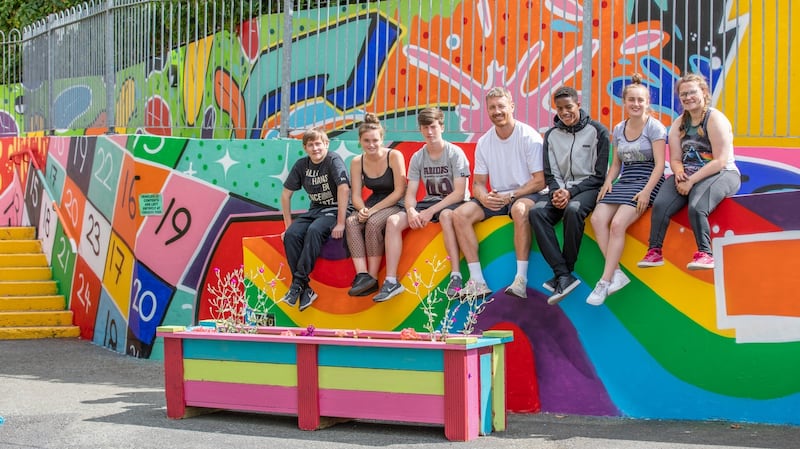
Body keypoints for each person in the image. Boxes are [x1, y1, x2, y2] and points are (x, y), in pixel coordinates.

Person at [450, 86, 546, 299]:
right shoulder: (484, 142)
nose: (497, 111)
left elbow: (540, 180)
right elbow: (478, 184)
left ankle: (520, 279)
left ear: (511, 106)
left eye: (501, 106)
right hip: (498, 196)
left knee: (520, 210)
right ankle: (477, 281)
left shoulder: (528, 136)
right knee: (459, 214)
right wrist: (484, 197)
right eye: (492, 107)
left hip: (526, 194)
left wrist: (512, 196)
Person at [637, 73, 741, 270]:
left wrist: (691, 181)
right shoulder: (678, 124)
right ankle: (654, 252)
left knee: (696, 206)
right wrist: (678, 173)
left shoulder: (715, 119)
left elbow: (719, 161)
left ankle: (705, 254)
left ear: (703, 92)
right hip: (688, 174)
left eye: (692, 92)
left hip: (722, 173)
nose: (687, 97)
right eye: (683, 94)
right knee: (660, 204)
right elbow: (675, 159)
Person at [372, 107, 470, 302]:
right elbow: (410, 193)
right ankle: (391, 281)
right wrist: (410, 210)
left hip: (454, 203)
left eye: (433, 126)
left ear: (441, 127)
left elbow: (459, 193)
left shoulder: (455, 153)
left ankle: (456, 277)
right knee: (392, 221)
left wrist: (430, 211)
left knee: (445, 215)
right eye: (425, 127)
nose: (430, 132)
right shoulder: (418, 157)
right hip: (429, 202)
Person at [586, 74, 666, 306]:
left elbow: (660, 164)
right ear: (624, 102)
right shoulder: (619, 129)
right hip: (626, 179)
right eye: (631, 100)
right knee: (598, 219)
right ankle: (618, 274)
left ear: (647, 102)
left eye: (640, 100)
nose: (636, 104)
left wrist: (647, 192)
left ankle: (604, 280)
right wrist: (608, 181)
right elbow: (616, 164)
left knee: (618, 224)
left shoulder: (655, 128)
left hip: (648, 180)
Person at [531, 86, 610, 305]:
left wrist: (571, 192)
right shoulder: (551, 135)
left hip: (588, 189)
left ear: (578, 104)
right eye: (559, 108)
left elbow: (599, 175)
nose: (564, 113)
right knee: (536, 212)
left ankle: (565, 273)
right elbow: (549, 172)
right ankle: (563, 274)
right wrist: (558, 191)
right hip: (560, 190)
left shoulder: (599, 131)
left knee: (573, 209)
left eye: (569, 107)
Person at [280, 128, 351, 311]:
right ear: (305, 148)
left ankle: (298, 284)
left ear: (326, 144)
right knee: (292, 235)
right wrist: (288, 226)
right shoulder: (301, 165)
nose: (315, 148)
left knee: (314, 230)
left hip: (336, 209)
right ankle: (305, 290)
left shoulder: (333, 160)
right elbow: (286, 195)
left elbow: (344, 188)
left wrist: (341, 222)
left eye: (318, 143)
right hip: (315, 210)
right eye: (310, 145)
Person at [345, 114, 407, 296]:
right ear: (360, 141)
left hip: (395, 202)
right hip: (373, 202)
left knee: (372, 223)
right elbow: (355, 195)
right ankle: (363, 276)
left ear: (382, 139)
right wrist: (361, 209)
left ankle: (372, 277)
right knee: (351, 222)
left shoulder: (394, 155)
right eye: (366, 141)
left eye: (375, 140)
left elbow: (399, 191)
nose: (371, 145)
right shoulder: (357, 162)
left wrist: (372, 211)